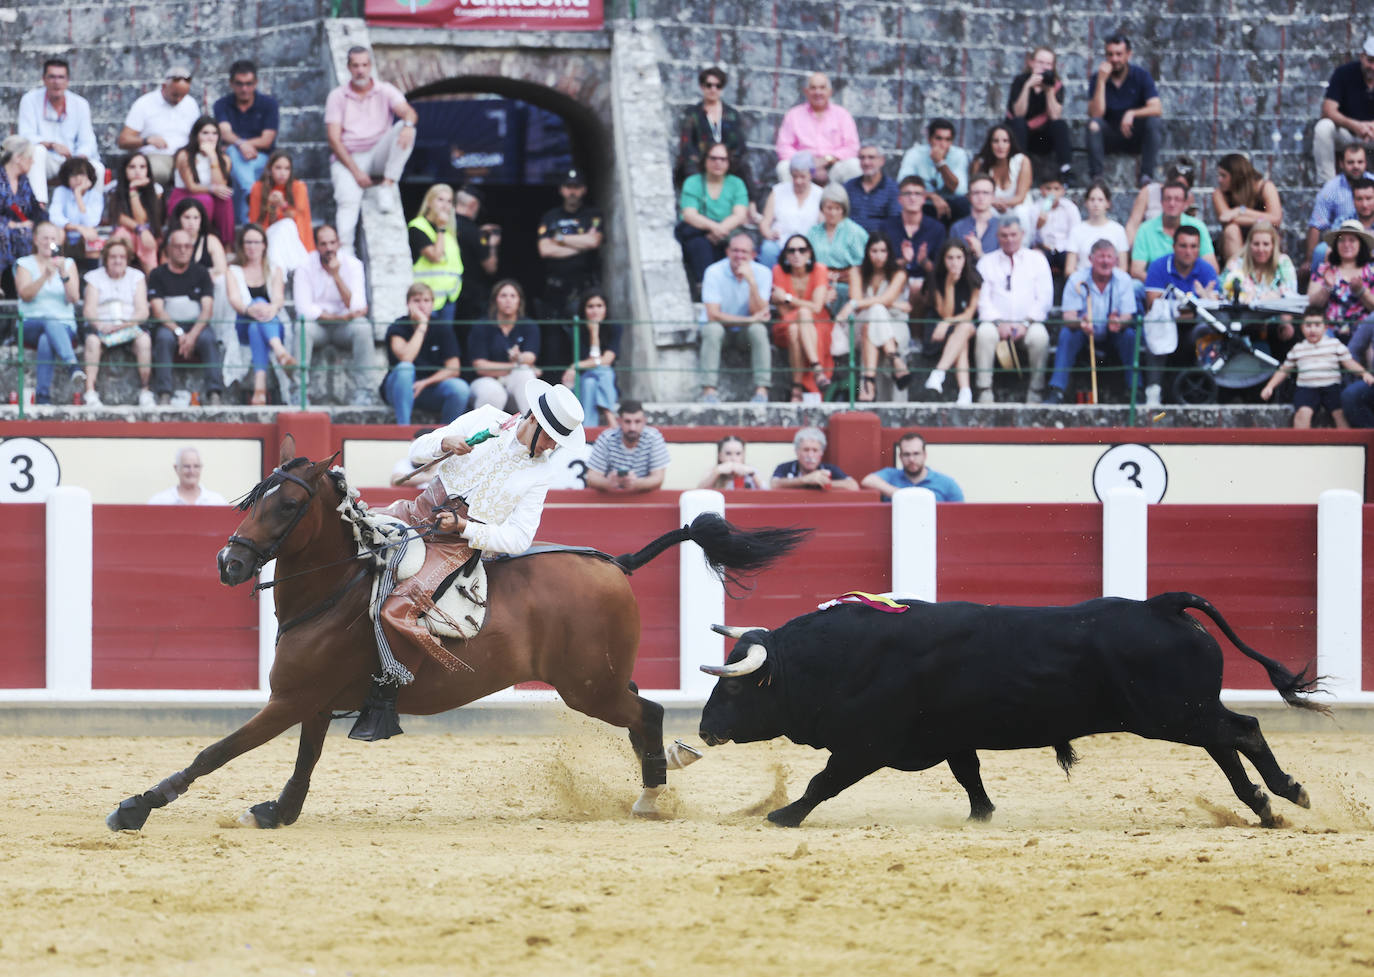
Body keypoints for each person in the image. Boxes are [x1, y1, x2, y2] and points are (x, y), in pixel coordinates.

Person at [354, 379, 585, 735]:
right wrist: (442, 443)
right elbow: (417, 451)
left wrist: (464, 527)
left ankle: (384, 700)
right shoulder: (486, 419)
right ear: (533, 420)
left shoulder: (541, 471)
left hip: (452, 545)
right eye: (552, 436)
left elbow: (519, 537)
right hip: (414, 511)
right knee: (349, 536)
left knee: (397, 610)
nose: (553, 446)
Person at [324, 46, 418, 253]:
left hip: (378, 154)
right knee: (347, 203)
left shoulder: (384, 90)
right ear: (348, 67)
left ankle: (388, 183)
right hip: (348, 158)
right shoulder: (337, 96)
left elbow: (408, 113)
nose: (360, 70)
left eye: (364, 65)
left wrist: (409, 125)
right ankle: (344, 252)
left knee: (406, 128)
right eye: (356, 65)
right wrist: (356, 172)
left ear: (371, 66)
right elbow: (333, 139)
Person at [1044, 239, 1138, 404]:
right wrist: (1081, 322)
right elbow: (1068, 316)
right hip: (1084, 333)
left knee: (1130, 335)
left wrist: (1118, 321)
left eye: (1109, 257)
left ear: (1116, 260)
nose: (1105, 261)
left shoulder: (1123, 280)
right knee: (1067, 335)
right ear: (1090, 259)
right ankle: (1057, 390)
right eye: (1101, 257)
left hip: (1112, 333)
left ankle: (1136, 390)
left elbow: (1128, 316)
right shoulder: (1077, 279)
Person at [292, 223, 377, 405]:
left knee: (363, 327)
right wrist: (339, 317)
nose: (329, 248)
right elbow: (304, 309)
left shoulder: (353, 265)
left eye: (332, 243)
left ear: (339, 243)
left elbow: (356, 305)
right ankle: (300, 392)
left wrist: (336, 275)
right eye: (323, 244)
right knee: (302, 327)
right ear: (316, 245)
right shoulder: (305, 266)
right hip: (319, 326)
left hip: (344, 327)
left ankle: (364, 392)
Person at [973, 217, 1052, 403]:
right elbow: (982, 300)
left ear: (1022, 235)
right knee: (984, 333)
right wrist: (999, 322)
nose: (1009, 239)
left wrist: (1025, 323)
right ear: (997, 236)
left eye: (1013, 235)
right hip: (996, 324)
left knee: (1040, 337)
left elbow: (1044, 298)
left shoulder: (1037, 260)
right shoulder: (986, 262)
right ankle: (984, 390)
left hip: (1029, 323)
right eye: (1004, 235)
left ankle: (1036, 390)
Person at [1142, 225, 1220, 403]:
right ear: (1174, 246)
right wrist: (1190, 307)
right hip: (1166, 325)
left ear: (1199, 249)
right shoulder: (1159, 266)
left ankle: (1208, 388)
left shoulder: (1207, 269)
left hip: (1194, 328)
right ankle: (1153, 390)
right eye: (1183, 246)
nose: (1188, 251)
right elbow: (1153, 303)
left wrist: (1205, 297)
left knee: (1206, 330)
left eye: (1193, 246)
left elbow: (1214, 306)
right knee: (1156, 327)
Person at [1262, 307, 1374, 429]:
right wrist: (1270, 386)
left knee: (1340, 414)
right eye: (1308, 326)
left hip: (1331, 386)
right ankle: (1301, 445)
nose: (1312, 330)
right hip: (1306, 388)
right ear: (1302, 328)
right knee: (1302, 414)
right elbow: (1284, 369)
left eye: (1317, 325)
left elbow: (1349, 362)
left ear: (1325, 327)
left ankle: (1346, 444)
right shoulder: (1298, 348)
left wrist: (1364, 374)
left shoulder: (1334, 344)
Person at [147, 228, 222, 405]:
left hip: (197, 325)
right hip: (169, 326)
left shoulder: (202, 273)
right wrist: (180, 333)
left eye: (187, 246)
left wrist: (192, 335)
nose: (183, 250)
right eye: (178, 246)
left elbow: (207, 310)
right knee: (163, 339)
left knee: (208, 340)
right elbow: (158, 311)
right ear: (169, 249)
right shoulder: (157, 274)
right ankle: (164, 393)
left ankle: (214, 393)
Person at [836, 231, 911, 401]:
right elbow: (859, 298)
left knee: (873, 323)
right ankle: (895, 360)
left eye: (883, 251)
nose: (878, 256)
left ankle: (867, 383)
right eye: (874, 251)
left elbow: (885, 298)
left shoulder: (899, 273)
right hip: (859, 324)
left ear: (889, 252)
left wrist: (854, 304)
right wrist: (893, 305)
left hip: (894, 325)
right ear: (867, 252)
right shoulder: (857, 271)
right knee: (876, 311)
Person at [699, 230, 772, 404]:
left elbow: (759, 311)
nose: (739, 255)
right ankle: (709, 391)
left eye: (744, 252)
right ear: (727, 252)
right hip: (721, 329)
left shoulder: (762, 273)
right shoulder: (714, 271)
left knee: (759, 330)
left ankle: (761, 391)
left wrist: (751, 282)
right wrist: (749, 320)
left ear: (753, 255)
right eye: (735, 250)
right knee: (712, 330)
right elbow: (713, 314)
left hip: (744, 333)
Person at [381, 282, 469, 425]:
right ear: (408, 304)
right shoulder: (398, 326)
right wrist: (422, 326)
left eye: (426, 300)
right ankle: (403, 430)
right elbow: (406, 358)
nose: (422, 305)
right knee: (405, 369)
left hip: (429, 389)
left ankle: (446, 436)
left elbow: (454, 368)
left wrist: (426, 382)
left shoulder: (442, 328)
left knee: (460, 388)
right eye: (416, 300)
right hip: (399, 390)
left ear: (433, 304)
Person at [226, 223, 295, 406]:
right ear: (242, 245)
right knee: (258, 305)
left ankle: (259, 389)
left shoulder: (274, 269)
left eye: (256, 242)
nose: (252, 247)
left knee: (257, 326)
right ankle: (281, 353)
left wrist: (271, 309)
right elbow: (235, 300)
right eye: (248, 242)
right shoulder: (233, 271)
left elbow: (278, 299)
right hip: (242, 321)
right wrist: (251, 309)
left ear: (264, 245)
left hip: (269, 324)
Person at [16, 58, 101, 205]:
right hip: (46, 160)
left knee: (98, 169)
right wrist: (51, 145)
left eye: (61, 77)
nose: (57, 82)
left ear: (68, 81)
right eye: (52, 77)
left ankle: (89, 218)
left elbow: (88, 140)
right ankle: (39, 207)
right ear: (44, 79)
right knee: (37, 151)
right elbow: (25, 136)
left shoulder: (80, 104)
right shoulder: (30, 100)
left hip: (72, 159)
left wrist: (79, 159)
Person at [14, 221, 81, 404]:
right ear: (36, 240)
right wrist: (45, 275)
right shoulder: (24, 263)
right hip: (29, 323)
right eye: (45, 238)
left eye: (53, 238)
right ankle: (72, 365)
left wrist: (63, 275)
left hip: (64, 326)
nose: (48, 242)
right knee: (50, 319)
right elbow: (25, 294)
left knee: (46, 339)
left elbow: (74, 298)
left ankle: (43, 398)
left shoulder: (67, 264)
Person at [80, 238, 153, 407]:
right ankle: (90, 392)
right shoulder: (94, 278)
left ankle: (146, 391)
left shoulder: (137, 277)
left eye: (121, 256)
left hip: (129, 326)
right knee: (91, 341)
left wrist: (123, 325)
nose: (117, 260)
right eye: (113, 257)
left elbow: (143, 311)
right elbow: (89, 310)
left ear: (127, 258)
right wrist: (101, 326)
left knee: (144, 341)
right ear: (106, 258)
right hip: (102, 328)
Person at [1085, 33, 1163, 186]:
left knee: (1153, 122)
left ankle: (1146, 176)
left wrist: (1132, 112)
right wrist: (1101, 81)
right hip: (1109, 135)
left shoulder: (1141, 76)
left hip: (1134, 134)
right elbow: (1096, 114)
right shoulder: (1097, 78)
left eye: (1119, 54)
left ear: (1128, 55)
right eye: (1110, 54)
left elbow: (1157, 108)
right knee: (1093, 125)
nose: (1114, 59)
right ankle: (1097, 178)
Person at [213, 60, 279, 227]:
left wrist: (240, 144)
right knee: (236, 157)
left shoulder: (268, 104)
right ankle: (252, 197)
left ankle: (246, 220)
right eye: (240, 84)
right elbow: (224, 131)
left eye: (249, 84)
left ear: (256, 83)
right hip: (233, 157)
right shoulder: (222, 105)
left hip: (261, 158)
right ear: (231, 84)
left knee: (238, 166)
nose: (244, 89)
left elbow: (266, 140)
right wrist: (241, 144)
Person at [675, 141, 749, 290]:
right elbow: (689, 214)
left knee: (738, 245)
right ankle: (704, 286)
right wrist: (714, 228)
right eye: (713, 158)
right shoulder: (693, 182)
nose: (718, 163)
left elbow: (740, 215)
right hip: (700, 231)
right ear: (705, 160)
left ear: (728, 162)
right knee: (696, 241)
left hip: (726, 233)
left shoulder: (736, 184)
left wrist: (719, 231)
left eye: (723, 159)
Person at [535, 168, 603, 327]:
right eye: (568, 187)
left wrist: (560, 239)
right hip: (555, 289)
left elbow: (594, 242)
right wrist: (582, 244)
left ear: (584, 190)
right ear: (561, 189)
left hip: (583, 288)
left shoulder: (592, 214)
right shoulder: (551, 216)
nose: (572, 191)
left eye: (576, 187)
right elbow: (545, 250)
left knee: (582, 335)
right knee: (555, 339)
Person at [674, 66, 753, 200]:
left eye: (718, 86)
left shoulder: (732, 114)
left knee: (744, 168)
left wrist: (724, 161)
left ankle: (749, 207)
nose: (713, 89)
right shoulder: (692, 114)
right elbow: (687, 145)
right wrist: (707, 162)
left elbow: (739, 145)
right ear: (702, 87)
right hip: (700, 163)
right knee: (688, 169)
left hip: (726, 162)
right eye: (709, 85)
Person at [772, 233, 834, 400]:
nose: (796, 254)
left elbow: (817, 307)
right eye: (791, 251)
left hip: (818, 322)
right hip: (786, 323)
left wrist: (788, 298)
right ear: (785, 255)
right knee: (800, 318)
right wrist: (802, 308)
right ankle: (817, 370)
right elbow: (784, 312)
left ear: (809, 253)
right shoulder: (778, 271)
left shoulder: (819, 269)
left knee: (796, 328)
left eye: (801, 250)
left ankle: (797, 388)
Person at [116, 66, 200, 186]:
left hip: (185, 156)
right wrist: (148, 140)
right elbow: (123, 141)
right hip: (157, 156)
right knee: (155, 172)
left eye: (183, 95)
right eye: (175, 95)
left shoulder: (190, 103)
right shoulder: (144, 104)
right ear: (164, 86)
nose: (179, 99)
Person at [921, 240, 981, 404]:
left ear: (965, 258)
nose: (955, 262)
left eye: (959, 257)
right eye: (950, 258)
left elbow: (969, 314)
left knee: (965, 327)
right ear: (943, 259)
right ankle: (965, 392)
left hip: (957, 327)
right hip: (938, 330)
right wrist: (949, 284)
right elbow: (944, 312)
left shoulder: (974, 277)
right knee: (962, 338)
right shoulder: (935, 277)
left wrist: (947, 322)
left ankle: (939, 373)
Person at [773, 72, 860, 186]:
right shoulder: (793, 115)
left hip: (833, 166)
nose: (818, 92)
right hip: (802, 167)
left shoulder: (842, 115)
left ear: (830, 92)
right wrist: (808, 162)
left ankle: (844, 203)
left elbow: (852, 147)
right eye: (813, 88)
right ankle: (794, 203)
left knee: (854, 166)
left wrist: (827, 160)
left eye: (822, 88)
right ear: (806, 91)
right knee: (783, 167)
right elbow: (783, 147)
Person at [468, 279, 541, 412]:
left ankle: (533, 428)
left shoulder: (529, 325)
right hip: (485, 381)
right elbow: (480, 367)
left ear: (519, 301)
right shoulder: (482, 325)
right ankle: (486, 433)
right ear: (496, 300)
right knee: (494, 393)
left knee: (524, 373)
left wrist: (519, 358)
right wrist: (515, 365)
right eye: (503, 295)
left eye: (513, 296)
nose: (508, 300)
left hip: (513, 383)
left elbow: (530, 357)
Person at [1006, 46, 1073, 185]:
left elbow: (1055, 116)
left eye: (1048, 64)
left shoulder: (1056, 85)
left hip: (1042, 138)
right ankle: (1019, 170)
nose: (1044, 67)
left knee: (1060, 125)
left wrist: (1049, 91)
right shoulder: (1020, 81)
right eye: (1040, 62)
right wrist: (1027, 87)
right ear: (1031, 63)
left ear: (1053, 66)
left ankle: (1066, 169)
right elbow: (1019, 113)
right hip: (1019, 136)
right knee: (1019, 123)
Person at [1130, 180, 1217, 287]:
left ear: (1185, 204)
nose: (1172, 203)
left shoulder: (1198, 226)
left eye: (1177, 199)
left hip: (1191, 286)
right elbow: (1136, 271)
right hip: (1156, 286)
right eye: (1168, 199)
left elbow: (1212, 268)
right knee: (1134, 286)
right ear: (1161, 202)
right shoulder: (1145, 229)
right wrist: (1162, 284)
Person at [1313, 35, 1374, 185]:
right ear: (1362, 56)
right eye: (1370, 61)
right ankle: (1328, 186)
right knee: (1323, 128)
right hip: (1347, 134)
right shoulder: (1344, 73)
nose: (1373, 67)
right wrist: (1356, 126)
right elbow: (1328, 110)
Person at [1308, 220, 1374, 357]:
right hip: (1330, 330)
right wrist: (1327, 287)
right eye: (1342, 240)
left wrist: (1362, 291)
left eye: (1352, 240)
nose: (1346, 245)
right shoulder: (1324, 269)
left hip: (1363, 332)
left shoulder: (1370, 272)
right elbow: (1311, 304)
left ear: (1360, 244)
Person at [1303, 144, 1369, 277]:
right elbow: (1316, 224)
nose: (1356, 166)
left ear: (1365, 163)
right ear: (1341, 164)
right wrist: (1308, 260)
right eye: (1350, 162)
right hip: (1343, 240)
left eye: (1360, 162)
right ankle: (1319, 286)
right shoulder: (1330, 189)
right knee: (1321, 251)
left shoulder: (1372, 183)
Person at [168, 115, 235, 245]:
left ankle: (227, 245)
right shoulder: (184, 155)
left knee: (225, 199)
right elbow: (191, 186)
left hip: (210, 196)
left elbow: (220, 186)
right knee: (206, 199)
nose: (210, 137)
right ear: (196, 135)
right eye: (205, 133)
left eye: (214, 133)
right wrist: (211, 189)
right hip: (184, 195)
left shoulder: (224, 159)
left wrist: (213, 157)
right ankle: (202, 240)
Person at [558, 288, 620, 427]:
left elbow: (606, 360)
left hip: (596, 382)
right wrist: (593, 332)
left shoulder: (614, 327)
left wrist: (576, 366)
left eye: (599, 306)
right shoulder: (575, 330)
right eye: (590, 306)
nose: (595, 311)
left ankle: (589, 428)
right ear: (584, 309)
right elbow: (599, 361)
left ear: (606, 308)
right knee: (603, 372)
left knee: (593, 380)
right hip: (577, 384)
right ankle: (610, 415)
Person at [880, 175, 945, 307]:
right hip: (892, 280)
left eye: (917, 194)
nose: (912, 198)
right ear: (899, 199)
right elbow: (879, 265)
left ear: (924, 199)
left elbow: (941, 269)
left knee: (917, 288)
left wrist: (924, 262)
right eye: (907, 193)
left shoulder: (936, 228)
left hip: (926, 282)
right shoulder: (886, 227)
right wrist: (903, 261)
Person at [248, 150, 314, 274]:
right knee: (282, 229)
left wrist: (282, 204)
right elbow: (258, 223)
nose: (282, 173)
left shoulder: (298, 187)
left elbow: (299, 219)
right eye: (278, 168)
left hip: (296, 239)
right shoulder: (258, 188)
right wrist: (272, 206)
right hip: (269, 237)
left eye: (287, 169)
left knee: (287, 224)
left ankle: (278, 274)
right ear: (269, 169)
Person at [805, 182, 868, 311]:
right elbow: (807, 260)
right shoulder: (813, 232)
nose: (833, 213)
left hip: (847, 284)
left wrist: (840, 277)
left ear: (843, 209)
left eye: (837, 208)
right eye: (829, 208)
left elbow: (862, 265)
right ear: (822, 208)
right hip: (818, 282)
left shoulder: (855, 232)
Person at [584, 399, 669, 493]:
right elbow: (591, 478)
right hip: (611, 501)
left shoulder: (654, 438)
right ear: (620, 421)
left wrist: (635, 483)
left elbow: (658, 479)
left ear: (644, 421)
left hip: (644, 501)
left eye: (637, 421)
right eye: (627, 422)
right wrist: (609, 483)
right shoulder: (606, 438)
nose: (632, 427)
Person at [408, 183, 464, 326]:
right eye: (440, 200)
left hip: (448, 298)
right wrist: (440, 228)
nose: (445, 205)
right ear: (429, 202)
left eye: (449, 201)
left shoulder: (450, 233)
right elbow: (436, 256)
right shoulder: (418, 226)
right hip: (424, 300)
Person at [1212, 153, 1283, 263]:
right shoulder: (1219, 194)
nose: (1219, 180)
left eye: (1224, 175)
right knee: (1231, 230)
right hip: (1234, 239)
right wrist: (1260, 220)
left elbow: (1276, 219)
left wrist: (1240, 210)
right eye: (1219, 175)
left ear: (1236, 176)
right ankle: (1238, 274)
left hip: (1261, 233)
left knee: (1267, 234)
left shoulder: (1264, 187)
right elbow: (1226, 218)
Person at [897, 118, 971, 223]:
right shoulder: (915, 153)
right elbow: (903, 184)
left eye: (947, 139)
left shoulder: (958, 154)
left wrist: (940, 163)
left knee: (962, 204)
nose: (943, 144)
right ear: (929, 139)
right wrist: (932, 196)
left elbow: (959, 190)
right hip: (923, 203)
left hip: (950, 204)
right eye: (939, 139)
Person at [757, 152, 821, 267]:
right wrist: (768, 233)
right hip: (781, 241)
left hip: (808, 244)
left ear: (811, 175)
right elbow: (765, 222)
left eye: (802, 176)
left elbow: (823, 225)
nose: (798, 181)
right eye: (795, 176)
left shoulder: (820, 194)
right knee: (768, 250)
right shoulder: (778, 191)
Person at [971, 123, 1036, 235]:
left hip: (1017, 206)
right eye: (996, 141)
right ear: (990, 143)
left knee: (1021, 212)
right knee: (984, 211)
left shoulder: (1022, 161)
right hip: (992, 206)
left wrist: (1003, 203)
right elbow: (974, 192)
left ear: (1011, 143)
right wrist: (993, 203)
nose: (1001, 146)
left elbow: (1020, 197)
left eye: (1005, 141)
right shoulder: (980, 163)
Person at [860, 431, 964, 502]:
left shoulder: (947, 483)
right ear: (900, 457)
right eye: (907, 454)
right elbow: (868, 480)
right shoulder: (891, 475)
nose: (911, 459)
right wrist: (902, 495)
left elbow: (960, 514)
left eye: (916, 454)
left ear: (924, 455)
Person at [105, 152, 164, 273]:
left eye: (142, 167)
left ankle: (152, 281)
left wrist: (133, 191)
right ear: (124, 170)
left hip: (148, 233)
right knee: (121, 235)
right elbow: (119, 217)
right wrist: (140, 230)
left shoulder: (156, 189)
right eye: (132, 167)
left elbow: (141, 219)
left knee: (146, 241)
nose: (138, 171)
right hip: (128, 231)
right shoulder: (114, 189)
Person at [0, 136, 45, 291]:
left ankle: (22, 283)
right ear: (18, 158)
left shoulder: (23, 181)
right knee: (6, 232)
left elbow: (35, 209)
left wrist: (47, 224)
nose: (32, 162)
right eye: (30, 157)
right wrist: (11, 224)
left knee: (31, 233)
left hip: (21, 230)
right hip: (4, 229)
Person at [1124, 156, 1198, 246]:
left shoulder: (1189, 198)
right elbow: (1133, 225)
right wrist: (1133, 250)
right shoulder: (1148, 192)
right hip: (1150, 245)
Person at [451, 186, 499, 323]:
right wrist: (492, 244)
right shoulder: (474, 232)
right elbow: (491, 268)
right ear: (473, 205)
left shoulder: (442, 227)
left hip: (447, 292)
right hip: (470, 295)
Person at [1064, 179, 1128, 276]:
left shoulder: (1118, 230)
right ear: (1086, 203)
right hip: (1083, 283)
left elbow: (1123, 268)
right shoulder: (1076, 230)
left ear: (1108, 203)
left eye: (1100, 200)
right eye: (1092, 199)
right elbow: (1069, 269)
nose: (1096, 204)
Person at [46, 156, 103, 260]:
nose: (78, 178)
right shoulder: (61, 191)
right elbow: (55, 217)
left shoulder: (95, 195)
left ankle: (89, 271)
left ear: (88, 176)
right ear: (67, 178)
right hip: (66, 233)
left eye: (82, 174)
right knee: (57, 233)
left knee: (92, 234)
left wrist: (78, 195)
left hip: (83, 236)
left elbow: (92, 222)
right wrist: (77, 227)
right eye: (73, 175)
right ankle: (54, 262)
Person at [769, 426, 859, 491]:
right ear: (797, 451)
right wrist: (804, 480)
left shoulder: (830, 469)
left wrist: (822, 483)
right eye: (806, 450)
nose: (810, 455)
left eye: (815, 450)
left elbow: (853, 486)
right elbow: (774, 484)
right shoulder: (785, 467)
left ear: (821, 452)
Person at [1031, 172, 1079, 278]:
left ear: (1063, 191)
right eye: (1048, 189)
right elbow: (1031, 239)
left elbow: (1075, 234)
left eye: (1056, 189)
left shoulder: (1070, 208)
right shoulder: (1035, 208)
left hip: (1064, 249)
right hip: (1044, 249)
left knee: (1073, 261)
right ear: (1042, 190)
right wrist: (1038, 225)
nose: (1052, 193)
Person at [843, 145, 900, 233]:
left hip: (878, 242)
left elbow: (894, 221)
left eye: (871, 157)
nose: (866, 162)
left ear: (882, 161)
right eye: (862, 158)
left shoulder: (892, 188)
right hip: (850, 240)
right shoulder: (849, 186)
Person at [147, 447, 228, 505]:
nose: (191, 471)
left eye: (196, 466)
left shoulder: (217, 501)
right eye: (186, 466)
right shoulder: (159, 501)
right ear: (176, 468)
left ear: (201, 468)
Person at [949, 174, 1000, 259]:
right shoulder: (957, 228)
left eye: (986, 193)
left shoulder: (1002, 227)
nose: (981, 197)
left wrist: (980, 254)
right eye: (976, 193)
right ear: (969, 196)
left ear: (993, 196)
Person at [697, 435, 766, 490]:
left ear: (743, 456)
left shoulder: (751, 472)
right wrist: (716, 473)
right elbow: (699, 492)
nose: (733, 458)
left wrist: (753, 475)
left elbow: (767, 494)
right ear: (720, 456)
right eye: (728, 453)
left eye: (738, 454)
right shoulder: (713, 471)